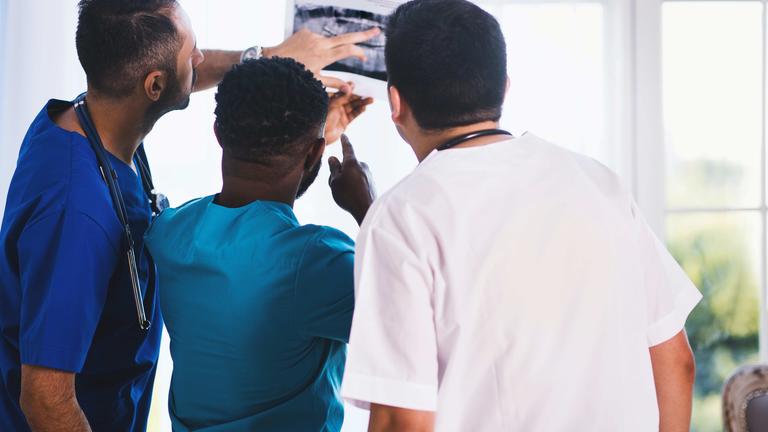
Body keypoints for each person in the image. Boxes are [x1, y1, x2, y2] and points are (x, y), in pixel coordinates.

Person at [0, 0, 377, 430]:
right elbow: (45, 399)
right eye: (192, 51)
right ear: (154, 86)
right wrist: (366, 204)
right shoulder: (75, 213)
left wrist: (271, 71)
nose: (201, 59)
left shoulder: (86, 124)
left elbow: (252, 188)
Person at [341, 1, 701, 431]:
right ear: (504, 88)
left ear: (394, 102)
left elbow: (404, 418)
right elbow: (675, 361)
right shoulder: (599, 183)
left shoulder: (399, 217)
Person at [144, 57, 375, 431]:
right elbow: (414, 316)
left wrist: (305, 142)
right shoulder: (314, 262)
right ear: (316, 152)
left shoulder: (169, 233)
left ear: (218, 133)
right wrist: (369, 207)